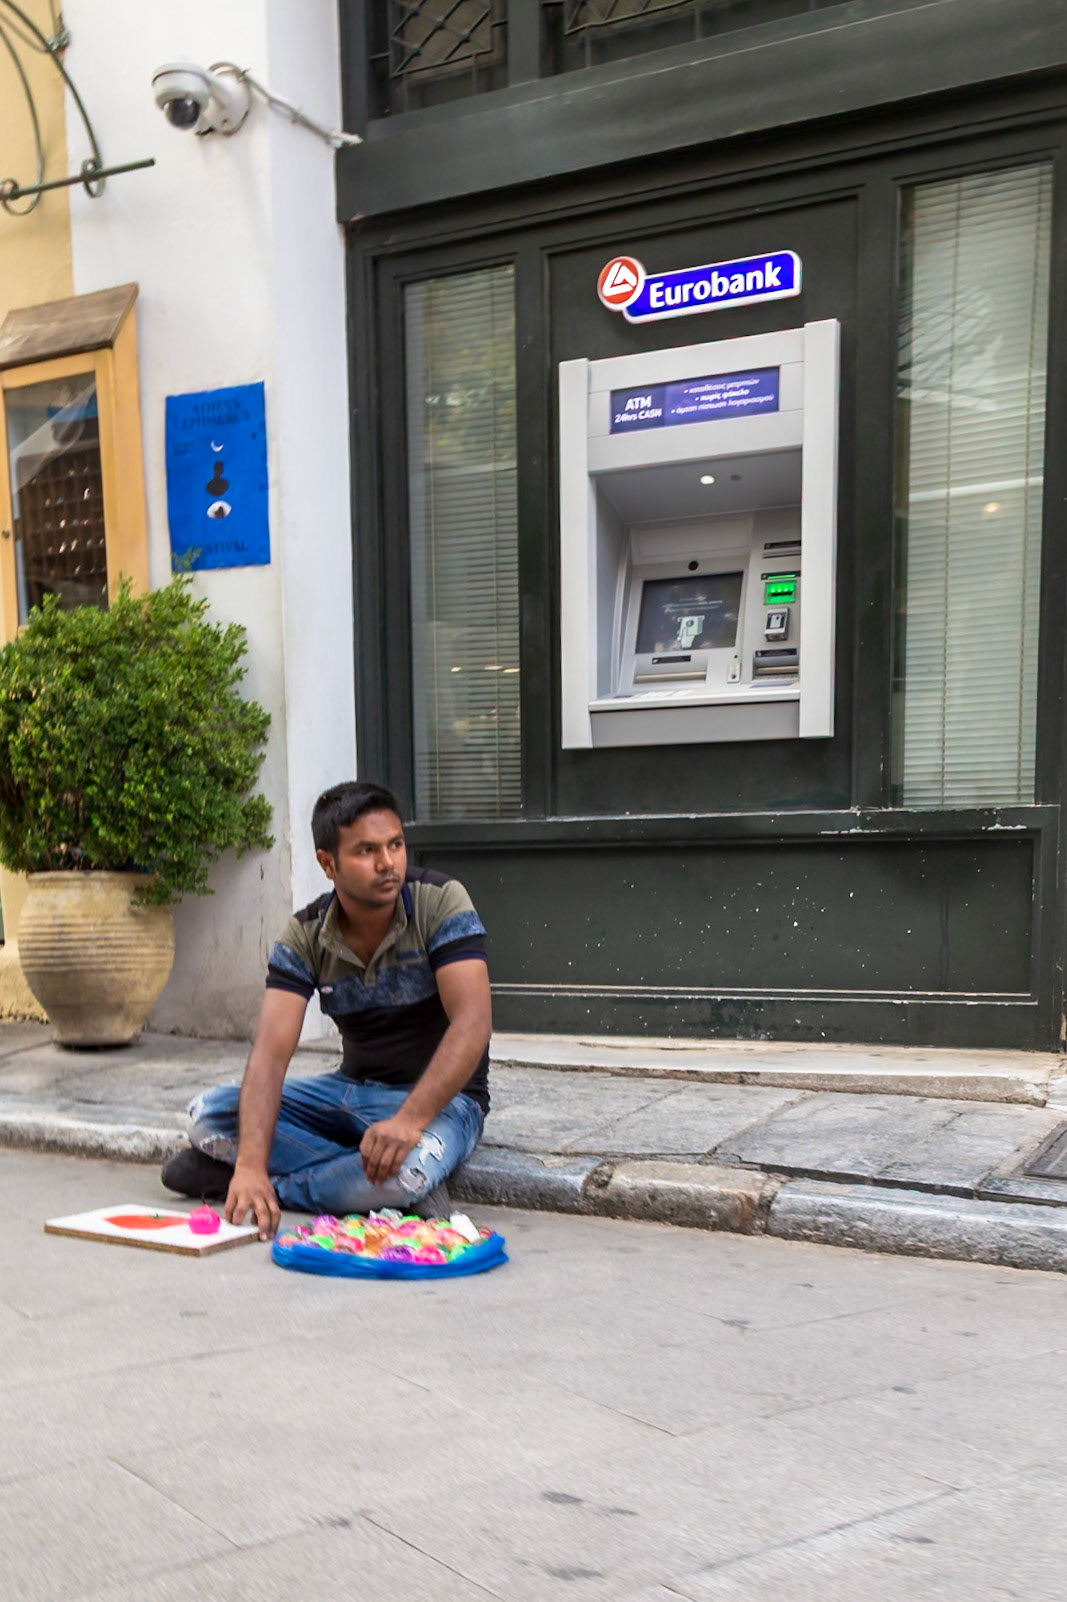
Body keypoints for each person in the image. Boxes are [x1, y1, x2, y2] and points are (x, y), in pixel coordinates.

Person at [161, 780, 492, 1238]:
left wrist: (407, 1122)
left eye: (395, 845)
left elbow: (473, 1025)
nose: (387, 863)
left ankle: (292, 1184)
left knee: (410, 1169)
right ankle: (365, 1183)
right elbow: (270, 1056)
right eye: (366, 851)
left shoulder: (441, 901)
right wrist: (251, 1164)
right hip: (347, 1092)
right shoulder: (305, 934)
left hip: (443, 1103)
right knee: (210, 1114)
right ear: (328, 863)